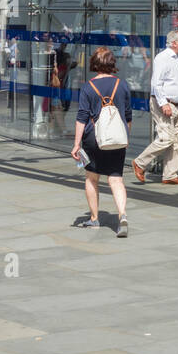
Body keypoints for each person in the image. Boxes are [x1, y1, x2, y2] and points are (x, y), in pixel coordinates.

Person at [72, 47, 133, 237]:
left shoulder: (88, 87)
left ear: (94, 63)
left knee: (92, 178)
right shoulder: (122, 85)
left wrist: (76, 144)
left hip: (93, 139)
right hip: (116, 139)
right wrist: (126, 138)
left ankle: (94, 218)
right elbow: (128, 115)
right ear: (112, 63)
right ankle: (122, 215)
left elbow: (82, 117)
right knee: (116, 179)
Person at [131, 30, 178, 186]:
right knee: (166, 138)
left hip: (176, 104)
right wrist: (163, 103)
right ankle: (140, 163)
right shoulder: (163, 58)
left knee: (176, 141)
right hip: (165, 104)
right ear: (174, 42)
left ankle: (170, 174)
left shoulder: (177, 58)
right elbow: (156, 83)